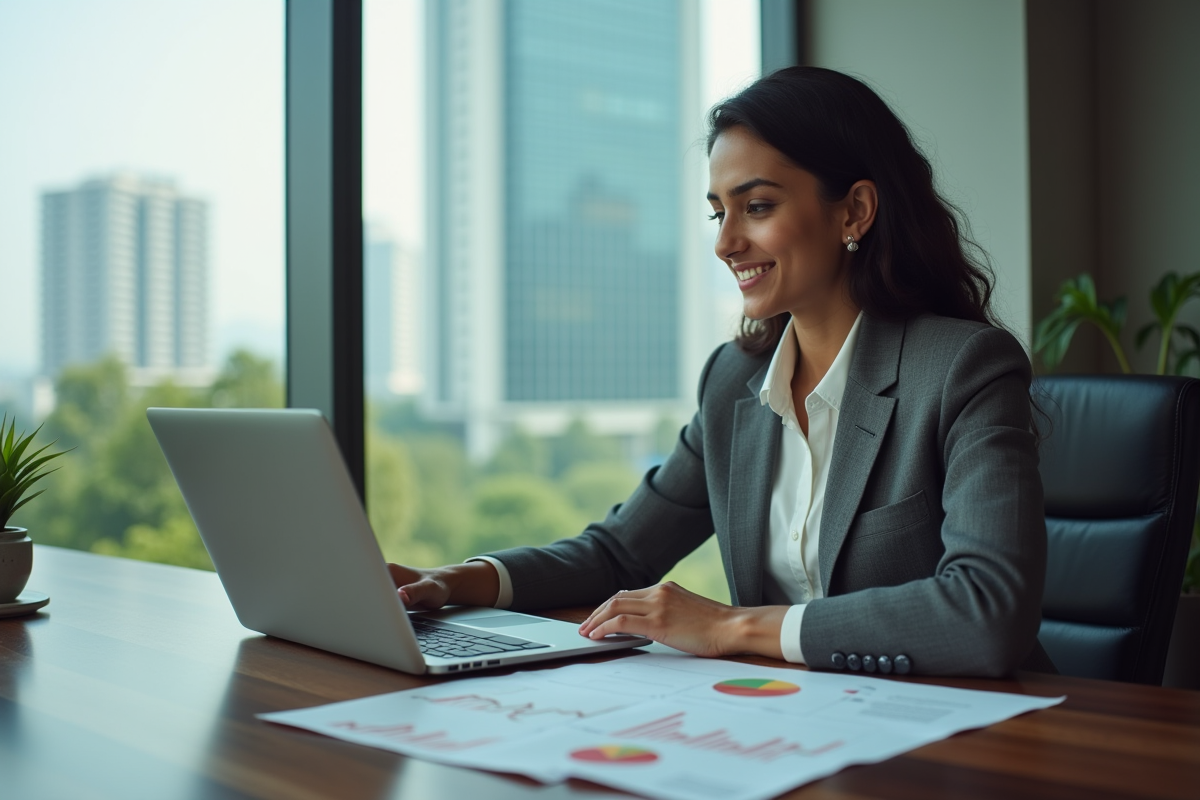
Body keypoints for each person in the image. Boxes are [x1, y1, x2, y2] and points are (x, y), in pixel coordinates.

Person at [388, 66, 1053, 678]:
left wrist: (729, 626)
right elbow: (621, 552)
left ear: (853, 211)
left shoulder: (964, 368)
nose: (724, 241)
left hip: (972, 729)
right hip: (801, 720)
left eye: (756, 207)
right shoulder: (734, 381)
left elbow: (987, 611)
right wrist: (452, 581)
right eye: (718, 211)